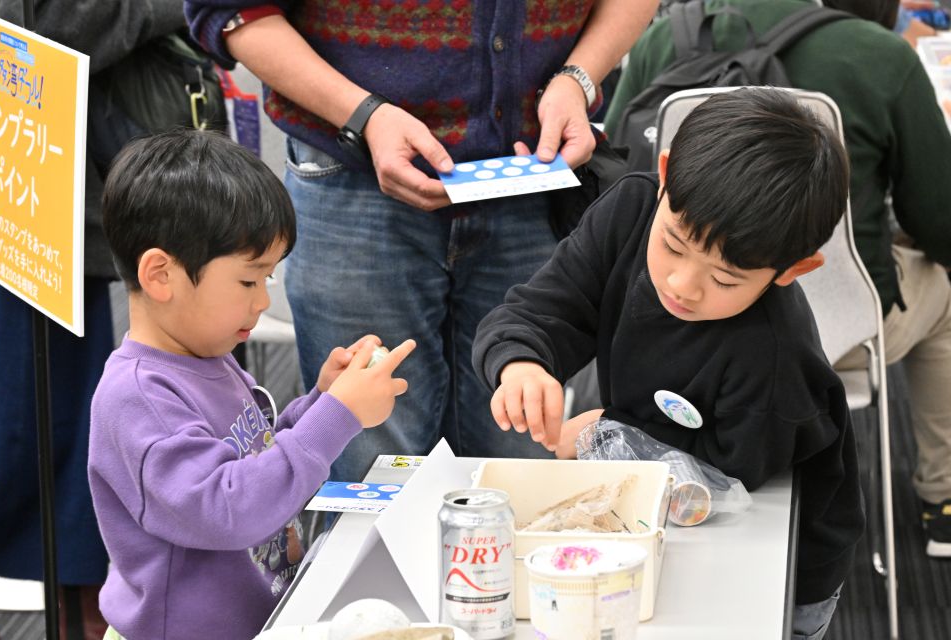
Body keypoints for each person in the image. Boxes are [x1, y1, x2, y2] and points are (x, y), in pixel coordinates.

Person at [183, 0, 661, 483]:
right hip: (352, 170)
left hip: (531, 180)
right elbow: (228, 11)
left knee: (517, 467)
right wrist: (364, 115)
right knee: (369, 470)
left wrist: (577, 78)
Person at [473, 89, 865, 640]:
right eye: (674, 246)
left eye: (724, 278)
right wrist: (521, 363)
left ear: (792, 270)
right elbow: (543, 308)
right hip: (654, 514)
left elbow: (736, 474)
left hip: (779, 552)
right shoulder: (630, 212)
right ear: (663, 177)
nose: (683, 285)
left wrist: (610, 430)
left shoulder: (774, 356)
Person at [604, 0, 951, 559]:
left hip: (655, 339)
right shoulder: (882, 55)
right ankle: (943, 500)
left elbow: (615, 165)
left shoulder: (661, 37)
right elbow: (939, 219)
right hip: (838, 337)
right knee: (943, 292)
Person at [88, 129, 415, 640]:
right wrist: (338, 417)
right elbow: (230, 508)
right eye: (248, 280)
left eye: (267, 279)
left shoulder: (205, 355)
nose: (262, 301)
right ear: (160, 274)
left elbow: (254, 457)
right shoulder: (138, 399)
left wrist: (321, 403)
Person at [0, 2, 188, 638]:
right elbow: (31, 31)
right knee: (28, 435)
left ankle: (91, 611)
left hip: (85, 201)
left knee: (80, 450)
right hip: (35, 199)